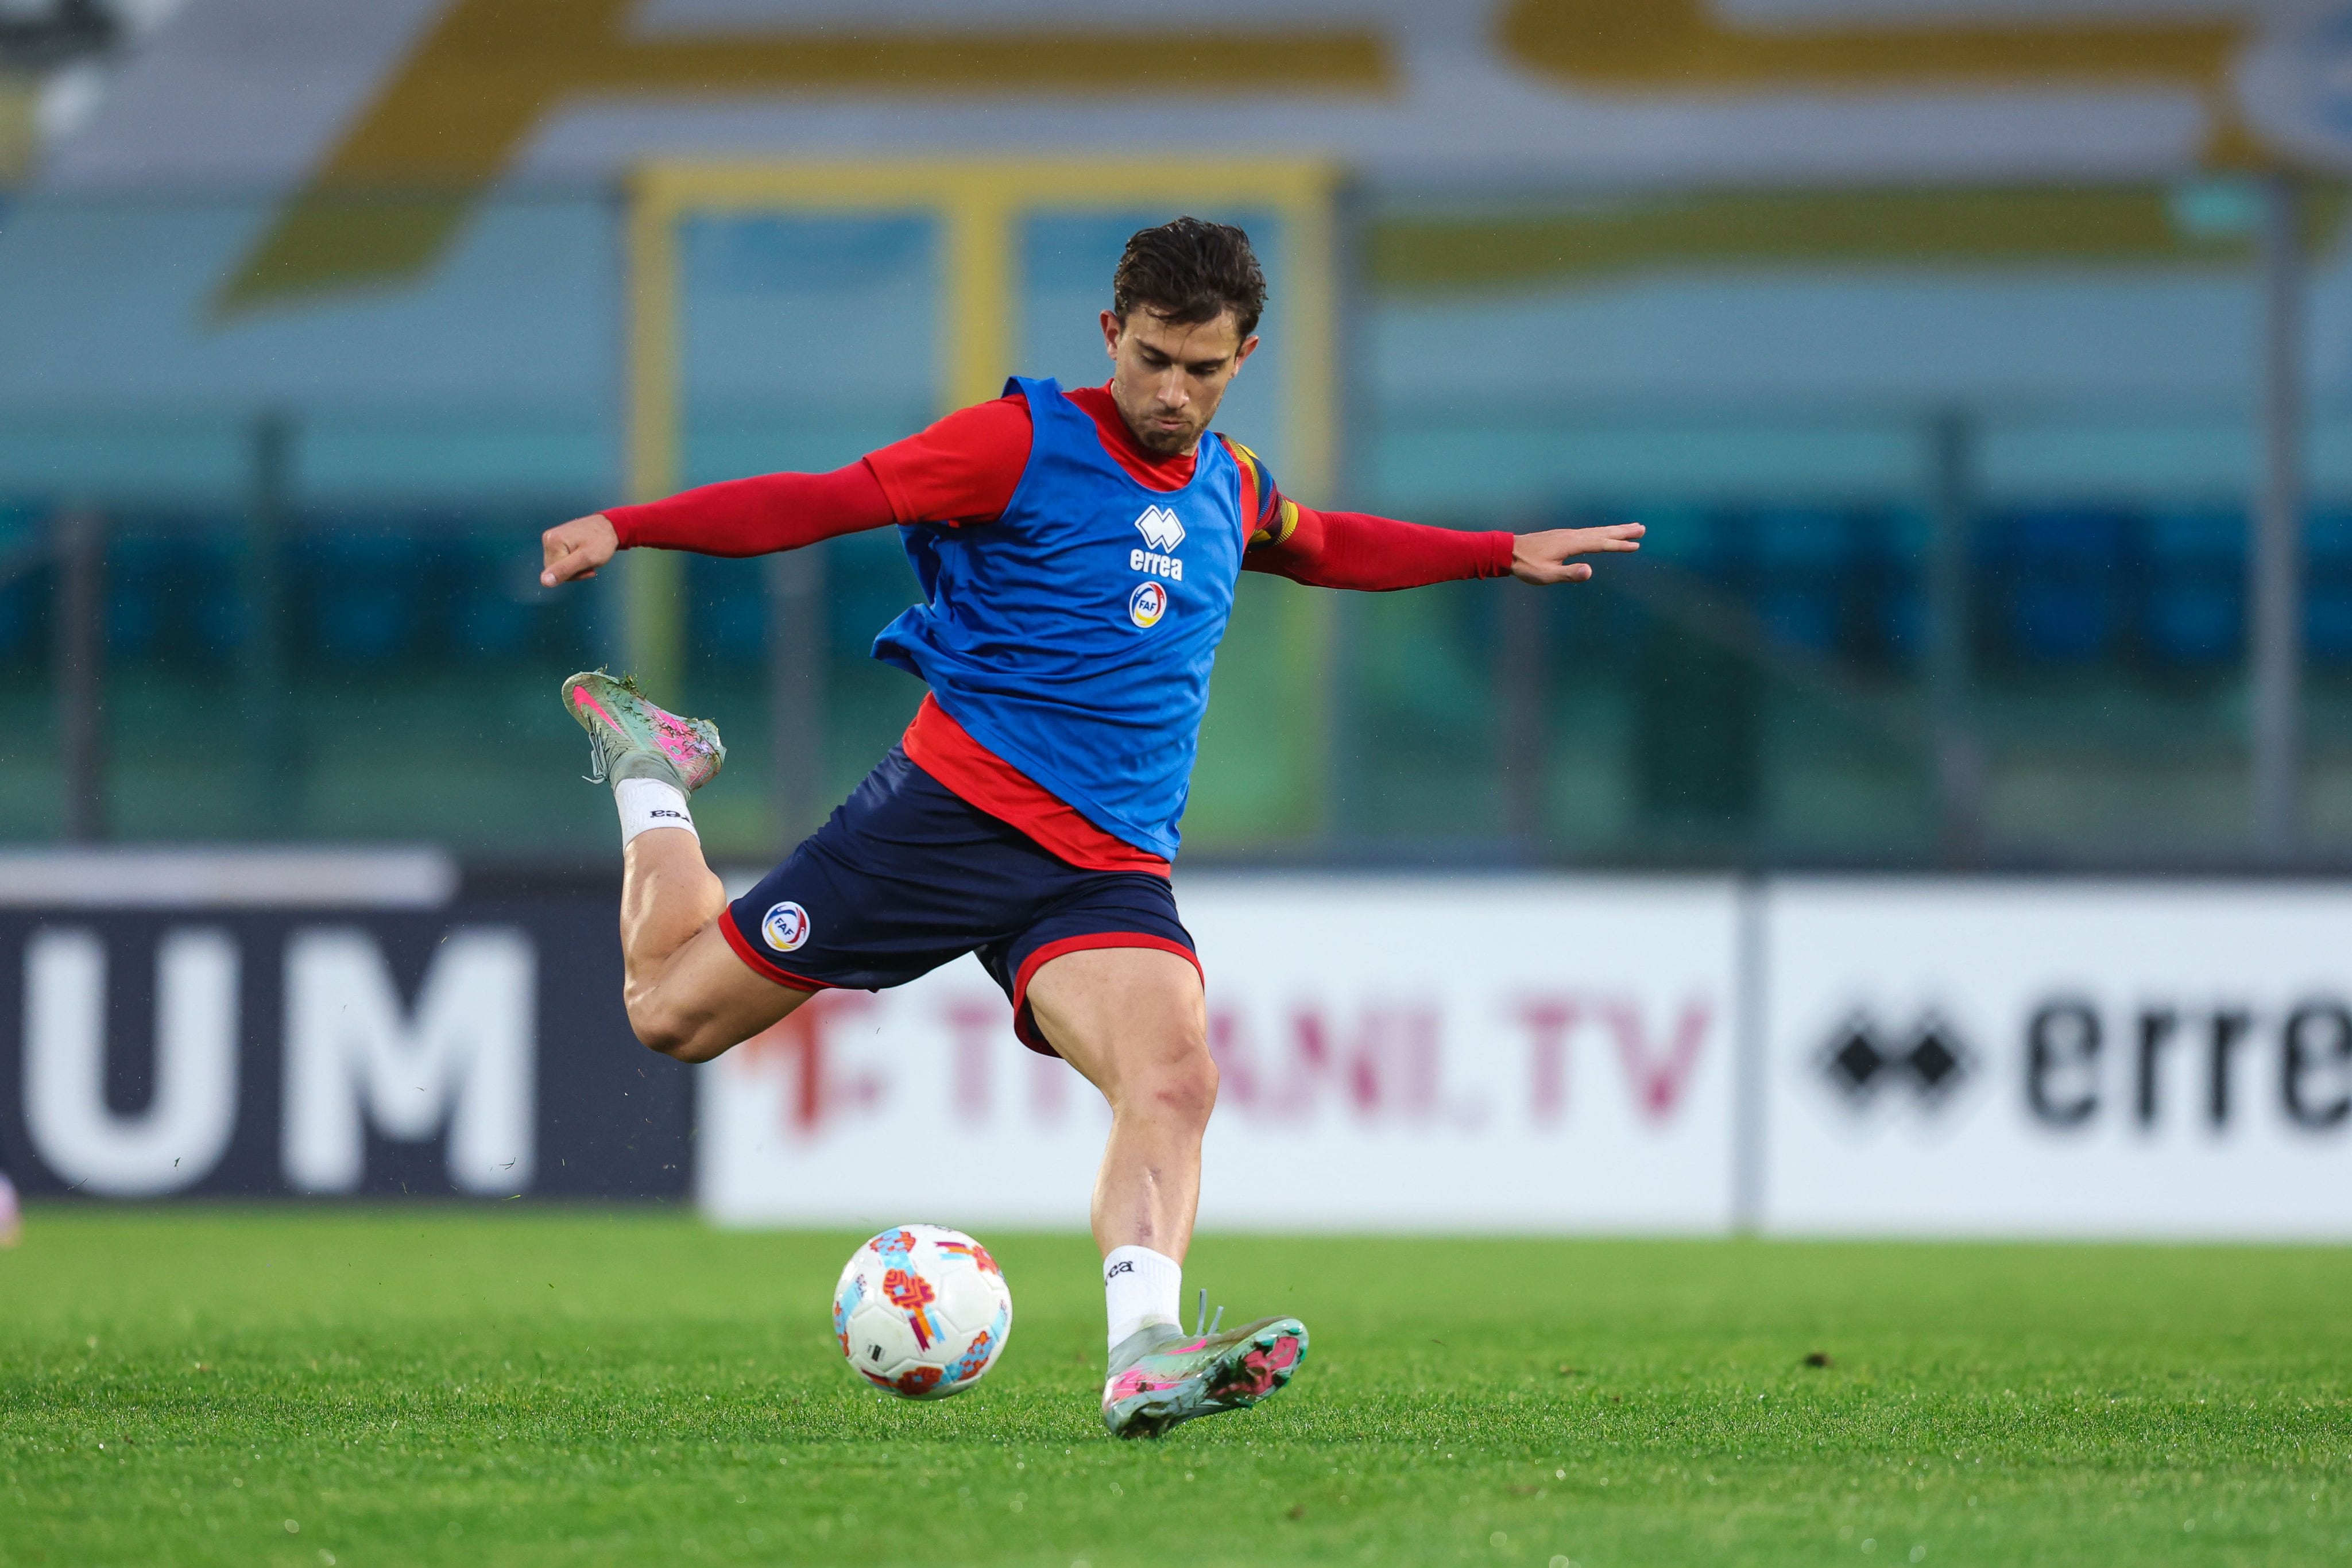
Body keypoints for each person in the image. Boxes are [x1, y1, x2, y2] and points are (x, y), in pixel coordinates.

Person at [539, 217, 1641, 1438]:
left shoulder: (1231, 482)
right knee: (668, 1016)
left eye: (1203, 369)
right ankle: (653, 764)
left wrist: (1496, 553)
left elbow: (1325, 544)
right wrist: (630, 526)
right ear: (1110, 334)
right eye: (1153, 359)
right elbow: (823, 500)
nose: (1173, 393)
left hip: (1105, 868)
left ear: (1243, 357)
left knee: (1173, 1076)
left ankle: (1144, 1352)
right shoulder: (1017, 444)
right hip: (947, 820)